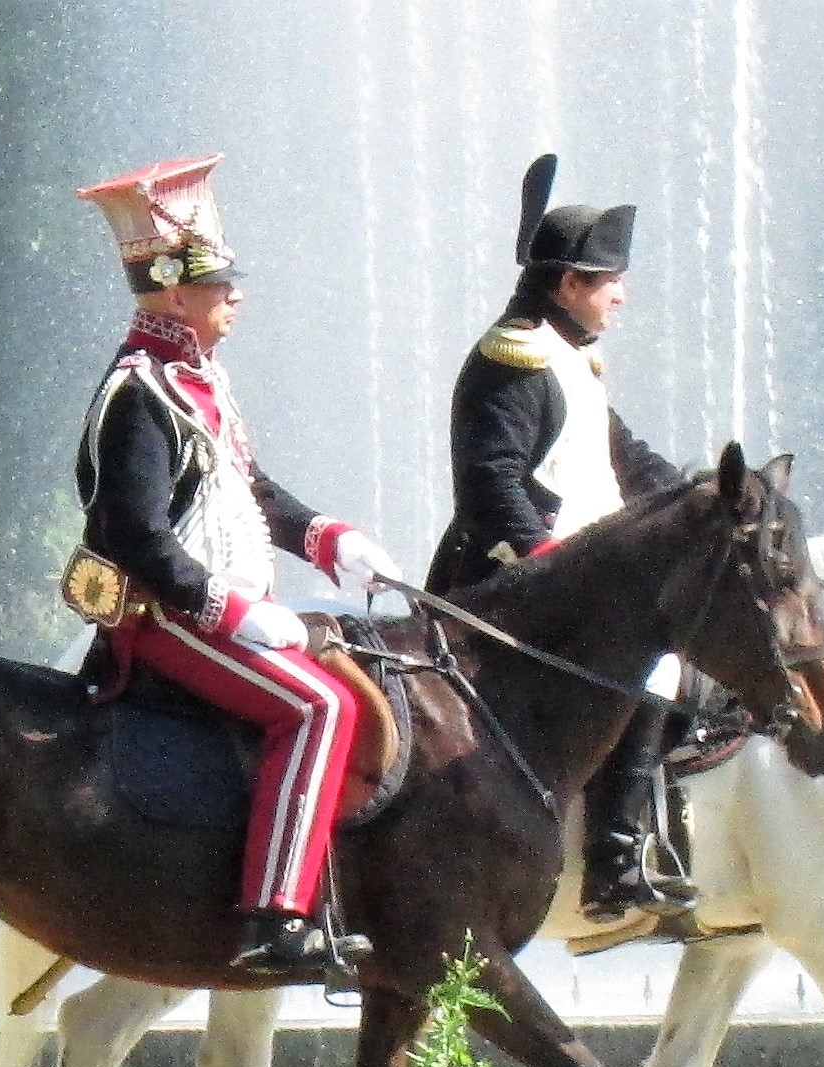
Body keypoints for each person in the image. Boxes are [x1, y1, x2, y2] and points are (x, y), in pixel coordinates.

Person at [69, 153, 401, 977]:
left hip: (206, 606)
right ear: (175, 294)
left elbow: (249, 490)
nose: (236, 296)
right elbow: (136, 533)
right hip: (162, 619)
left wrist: (331, 540)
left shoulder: (197, 381)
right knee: (319, 708)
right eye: (221, 284)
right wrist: (231, 612)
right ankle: (273, 915)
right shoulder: (140, 390)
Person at [426, 154, 688, 925]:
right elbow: (489, 485)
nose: (621, 294)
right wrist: (544, 564)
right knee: (654, 660)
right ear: (569, 282)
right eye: (610, 280)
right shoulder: (512, 360)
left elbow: (623, 456)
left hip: (579, 577)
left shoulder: (568, 357)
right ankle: (613, 859)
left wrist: (703, 500)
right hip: (515, 583)